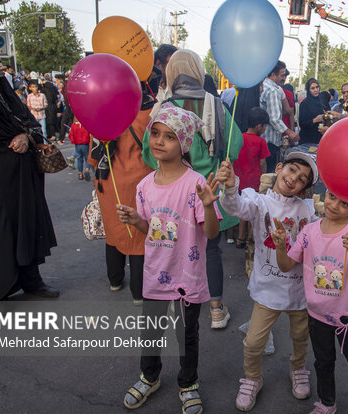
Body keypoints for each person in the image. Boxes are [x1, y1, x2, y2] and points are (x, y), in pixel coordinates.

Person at [117, 105, 222, 414]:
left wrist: (210, 206)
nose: (160, 141)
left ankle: (188, 383)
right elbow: (153, 230)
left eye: (170, 137)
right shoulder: (144, 186)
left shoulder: (196, 184)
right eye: (156, 133)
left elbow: (212, 234)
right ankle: (149, 377)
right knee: (150, 331)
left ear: (184, 144)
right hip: (154, 273)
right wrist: (137, 220)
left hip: (187, 276)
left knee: (187, 335)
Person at [143, 49, 243, 329]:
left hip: (173, 193)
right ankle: (215, 309)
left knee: (174, 246)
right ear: (199, 72)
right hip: (208, 191)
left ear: (171, 73)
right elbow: (235, 146)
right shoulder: (216, 103)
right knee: (210, 249)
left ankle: (175, 300)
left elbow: (149, 155)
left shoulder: (163, 107)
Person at [216, 152, 318, 412]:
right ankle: (252, 377)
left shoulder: (307, 210)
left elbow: (317, 240)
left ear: (305, 188)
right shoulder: (258, 201)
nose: (293, 179)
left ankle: (297, 368)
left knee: (300, 336)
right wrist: (230, 186)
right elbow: (235, 207)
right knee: (253, 343)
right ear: (280, 167)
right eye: (292, 170)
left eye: (302, 179)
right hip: (268, 290)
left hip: (299, 290)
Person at [0, 31, 59, 300]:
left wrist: (25, 136)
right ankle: (1, 286)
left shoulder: (2, 87)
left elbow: (27, 119)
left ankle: (32, 280)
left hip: (18, 173)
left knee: (26, 224)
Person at [274, 190, 348, 414]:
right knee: (323, 363)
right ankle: (327, 403)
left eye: (345, 203)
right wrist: (280, 245)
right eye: (331, 196)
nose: (334, 205)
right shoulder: (309, 231)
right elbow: (286, 265)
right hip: (318, 315)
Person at [88, 81, 156, 305]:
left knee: (114, 232)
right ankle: (138, 293)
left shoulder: (101, 112)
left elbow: (93, 157)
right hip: (139, 183)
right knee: (138, 237)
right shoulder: (147, 113)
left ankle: (115, 280)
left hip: (108, 183)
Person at [234, 107, 270, 248]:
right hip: (255, 181)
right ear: (259, 125)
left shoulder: (239, 138)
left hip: (240, 179)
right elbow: (262, 162)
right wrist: (264, 175)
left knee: (243, 209)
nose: (265, 129)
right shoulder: (261, 142)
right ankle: (250, 240)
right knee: (253, 211)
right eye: (265, 126)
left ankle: (240, 238)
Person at [261, 61, 300, 172]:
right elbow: (274, 119)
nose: (284, 78)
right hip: (270, 141)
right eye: (282, 75)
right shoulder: (273, 91)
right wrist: (290, 133)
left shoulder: (264, 86)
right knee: (269, 175)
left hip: (264, 139)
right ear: (273, 75)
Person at [298, 78, 328, 145]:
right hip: (308, 139)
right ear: (308, 90)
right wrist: (314, 120)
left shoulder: (321, 101)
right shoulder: (305, 103)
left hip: (320, 137)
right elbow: (302, 124)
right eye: (312, 88)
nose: (316, 90)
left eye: (317, 87)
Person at [69, 117, 92, 181]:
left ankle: (80, 174)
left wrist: (73, 141)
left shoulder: (73, 126)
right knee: (87, 158)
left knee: (79, 159)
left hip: (77, 144)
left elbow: (71, 135)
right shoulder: (86, 125)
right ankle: (87, 169)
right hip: (85, 144)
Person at [40, 73, 59, 141]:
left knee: (48, 120)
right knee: (52, 120)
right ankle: (53, 134)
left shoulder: (44, 88)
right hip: (52, 105)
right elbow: (57, 96)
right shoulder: (53, 87)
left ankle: (51, 134)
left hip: (47, 106)